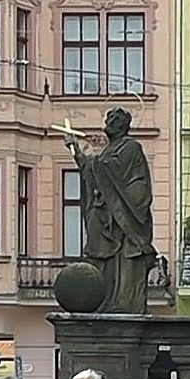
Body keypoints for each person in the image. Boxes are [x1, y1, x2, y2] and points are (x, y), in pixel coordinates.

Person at [65, 107, 157, 314]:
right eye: (109, 118)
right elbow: (92, 169)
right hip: (103, 215)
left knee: (125, 263)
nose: (110, 122)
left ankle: (122, 303)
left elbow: (112, 168)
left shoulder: (130, 147)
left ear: (124, 126)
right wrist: (76, 150)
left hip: (122, 218)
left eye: (116, 119)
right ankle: (101, 301)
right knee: (99, 258)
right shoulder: (109, 149)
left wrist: (91, 159)